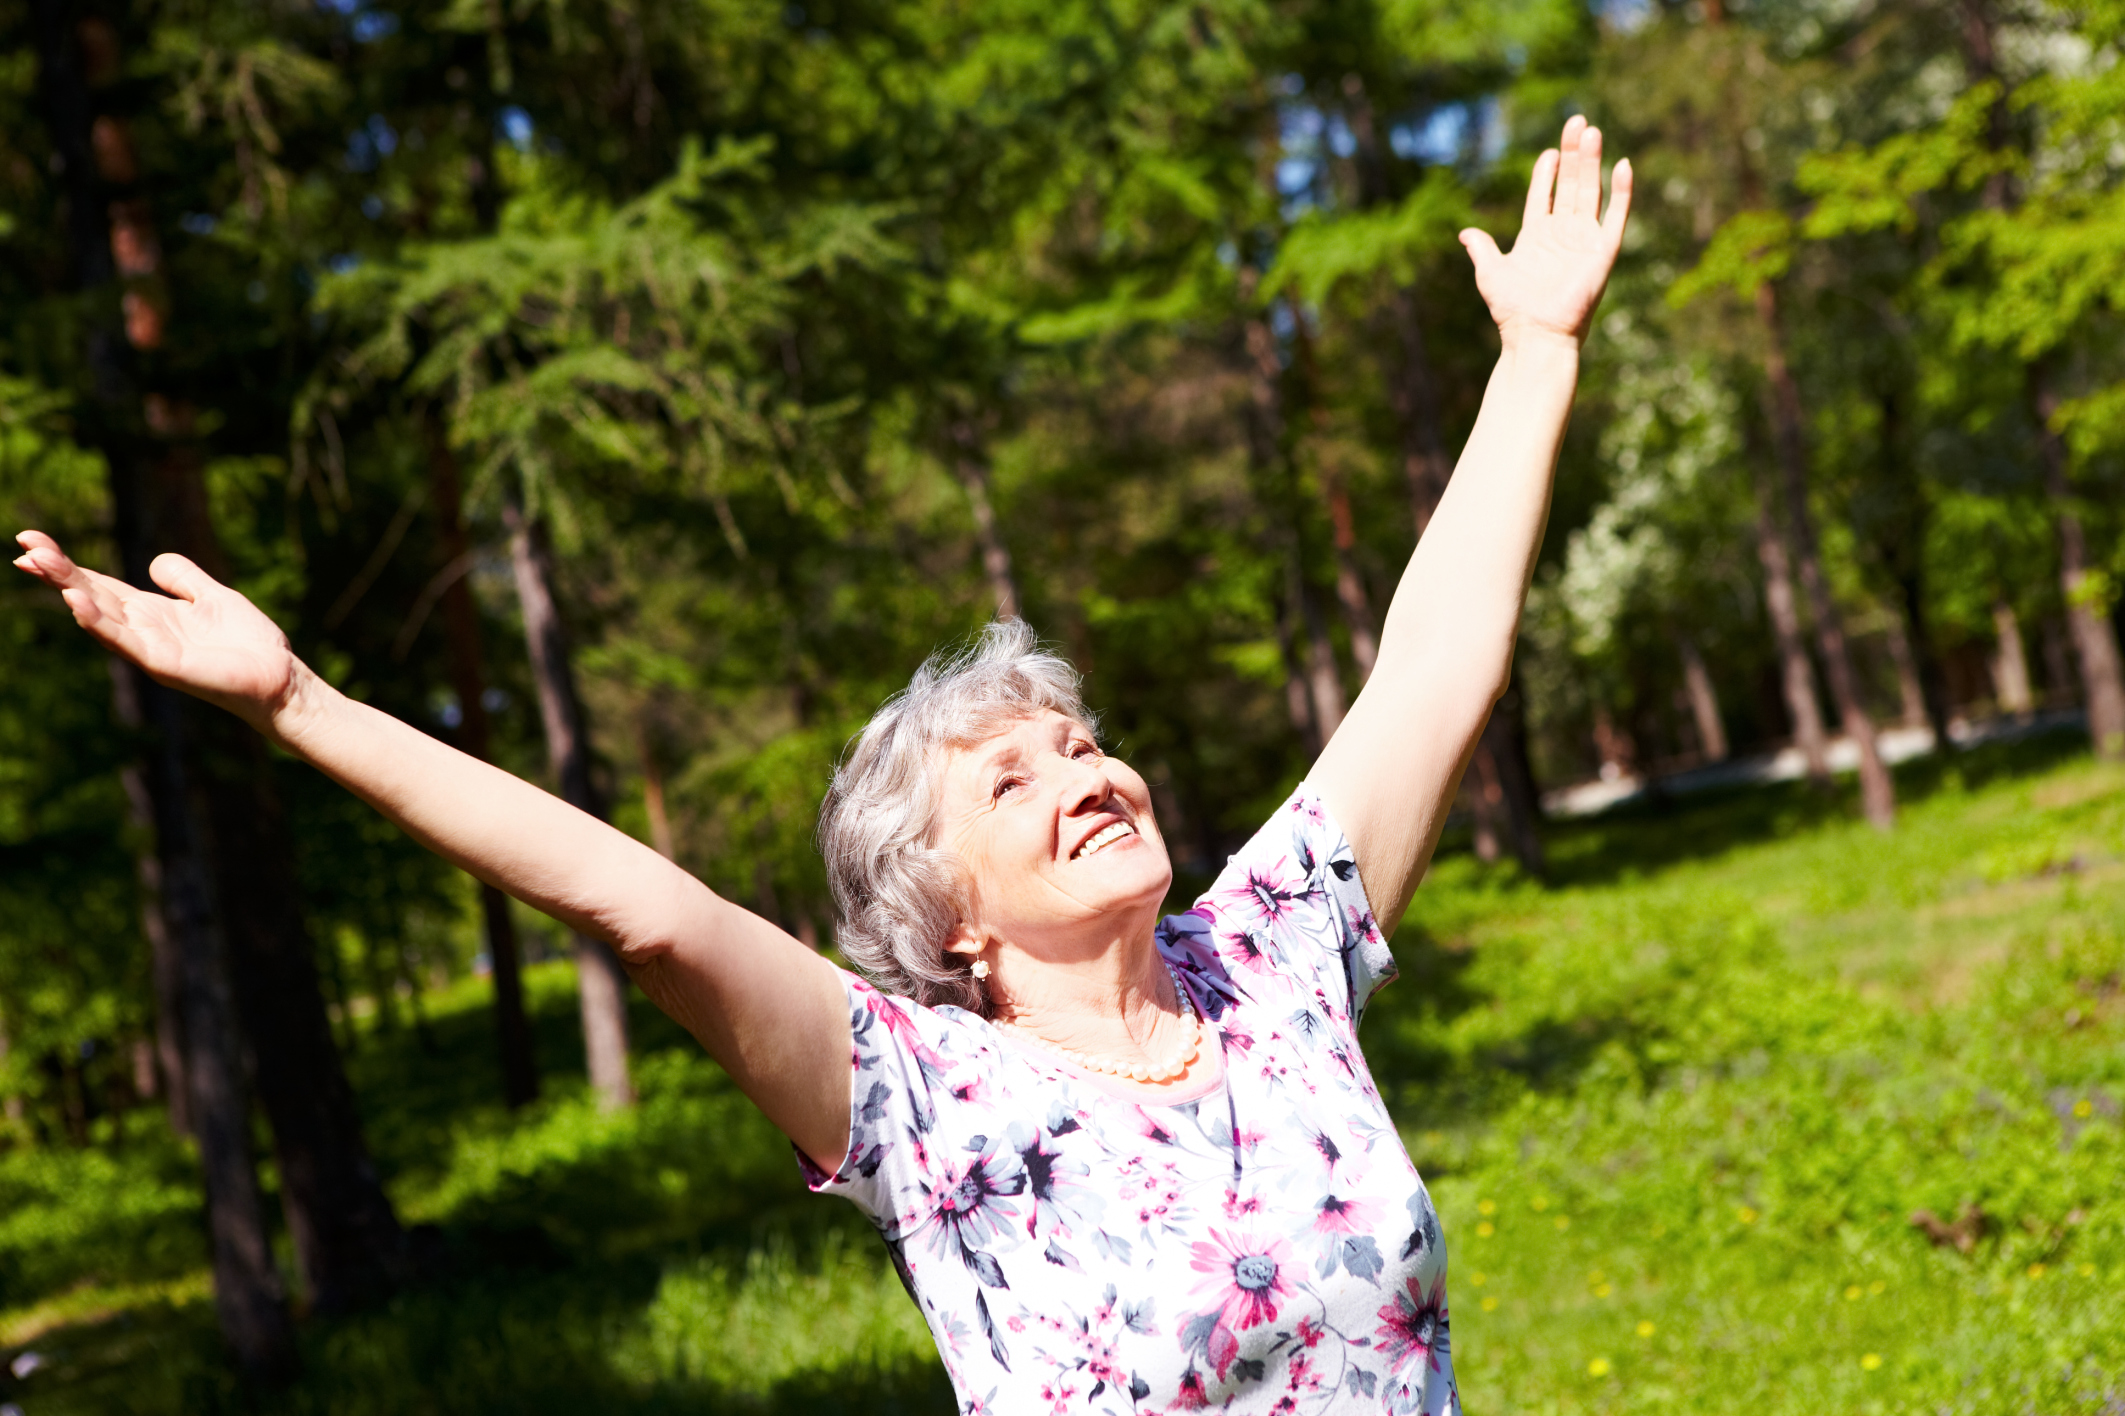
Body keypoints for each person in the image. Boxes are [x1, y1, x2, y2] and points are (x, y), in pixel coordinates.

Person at [15, 117, 1629, 1413]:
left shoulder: (1265, 962)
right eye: (1009, 783)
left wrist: (1535, 353)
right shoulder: (926, 1100)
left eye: (1078, 742)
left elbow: (1433, 666)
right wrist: (298, 699)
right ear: (951, 920)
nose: (1083, 770)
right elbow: (640, 910)